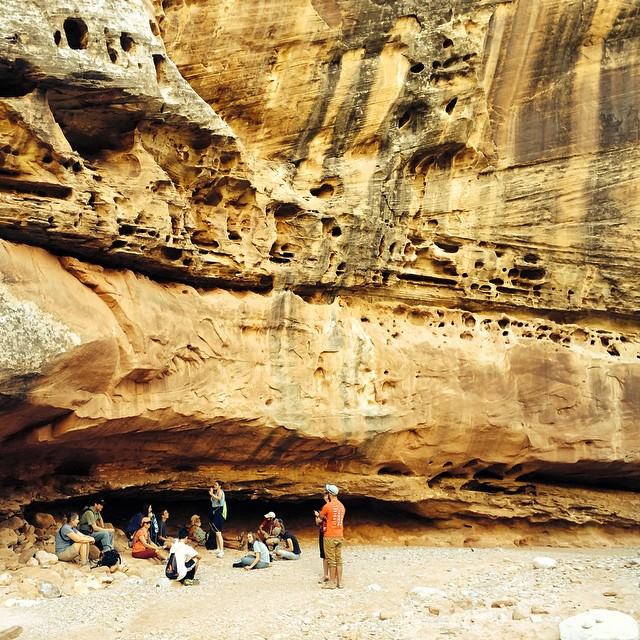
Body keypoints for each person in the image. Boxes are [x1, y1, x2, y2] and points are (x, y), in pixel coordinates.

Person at [316, 483, 345, 589]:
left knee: (331, 559)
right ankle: (339, 582)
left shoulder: (327, 506)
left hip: (329, 535)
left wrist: (317, 516)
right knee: (339, 559)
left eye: (327, 493)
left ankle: (332, 583)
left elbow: (320, 519)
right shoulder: (342, 506)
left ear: (330, 494)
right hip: (340, 534)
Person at [314, 490, 330, 582]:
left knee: (326, 555)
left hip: (326, 532)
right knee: (327, 555)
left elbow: (319, 521)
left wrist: (318, 515)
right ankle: (328, 575)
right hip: (326, 532)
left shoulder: (327, 507)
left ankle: (326, 575)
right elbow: (318, 522)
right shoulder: (326, 507)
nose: (325, 497)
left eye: (326, 495)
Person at [208, 481, 226, 558]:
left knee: (218, 532)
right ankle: (218, 548)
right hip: (214, 511)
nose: (214, 486)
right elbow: (212, 500)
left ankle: (222, 551)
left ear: (220, 486)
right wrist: (212, 493)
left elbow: (219, 498)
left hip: (219, 512)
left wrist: (212, 494)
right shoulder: (215, 492)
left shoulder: (221, 492)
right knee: (216, 531)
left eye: (216, 485)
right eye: (214, 484)